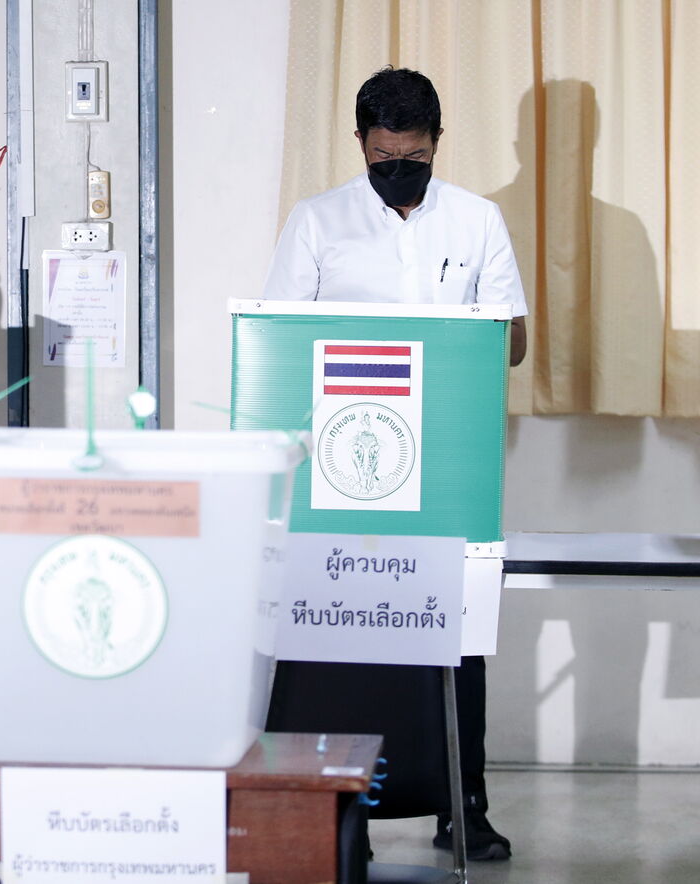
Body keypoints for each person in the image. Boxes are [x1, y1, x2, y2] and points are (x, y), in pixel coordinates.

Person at [262, 67, 526, 862]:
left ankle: (463, 808)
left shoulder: (477, 221)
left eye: (413, 156)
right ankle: (340, 815)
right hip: (342, 466)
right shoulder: (317, 222)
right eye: (383, 157)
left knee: (455, 632)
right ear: (360, 143)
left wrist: (453, 337)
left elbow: (513, 343)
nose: (397, 169)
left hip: (447, 463)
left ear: (437, 142)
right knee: (340, 632)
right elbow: (280, 339)